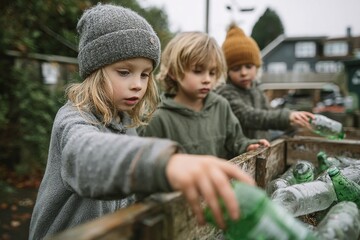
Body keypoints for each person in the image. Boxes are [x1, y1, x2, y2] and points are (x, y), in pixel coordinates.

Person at [28, 5, 257, 240]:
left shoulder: (127, 125)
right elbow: (84, 155)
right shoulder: (73, 119)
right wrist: (163, 163)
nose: (138, 84)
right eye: (125, 72)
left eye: (144, 74)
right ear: (95, 70)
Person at [139, 32, 270, 159]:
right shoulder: (159, 119)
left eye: (212, 73)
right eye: (197, 71)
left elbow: (236, 141)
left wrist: (248, 146)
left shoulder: (221, 106)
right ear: (173, 72)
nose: (207, 79)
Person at [215, 24, 314, 140]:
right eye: (236, 69)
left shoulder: (256, 91)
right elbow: (249, 116)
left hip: (260, 150)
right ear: (226, 71)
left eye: (248, 66)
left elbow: (269, 112)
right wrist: (286, 117)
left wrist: (291, 120)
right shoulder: (225, 93)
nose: (243, 73)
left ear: (257, 67)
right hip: (237, 156)